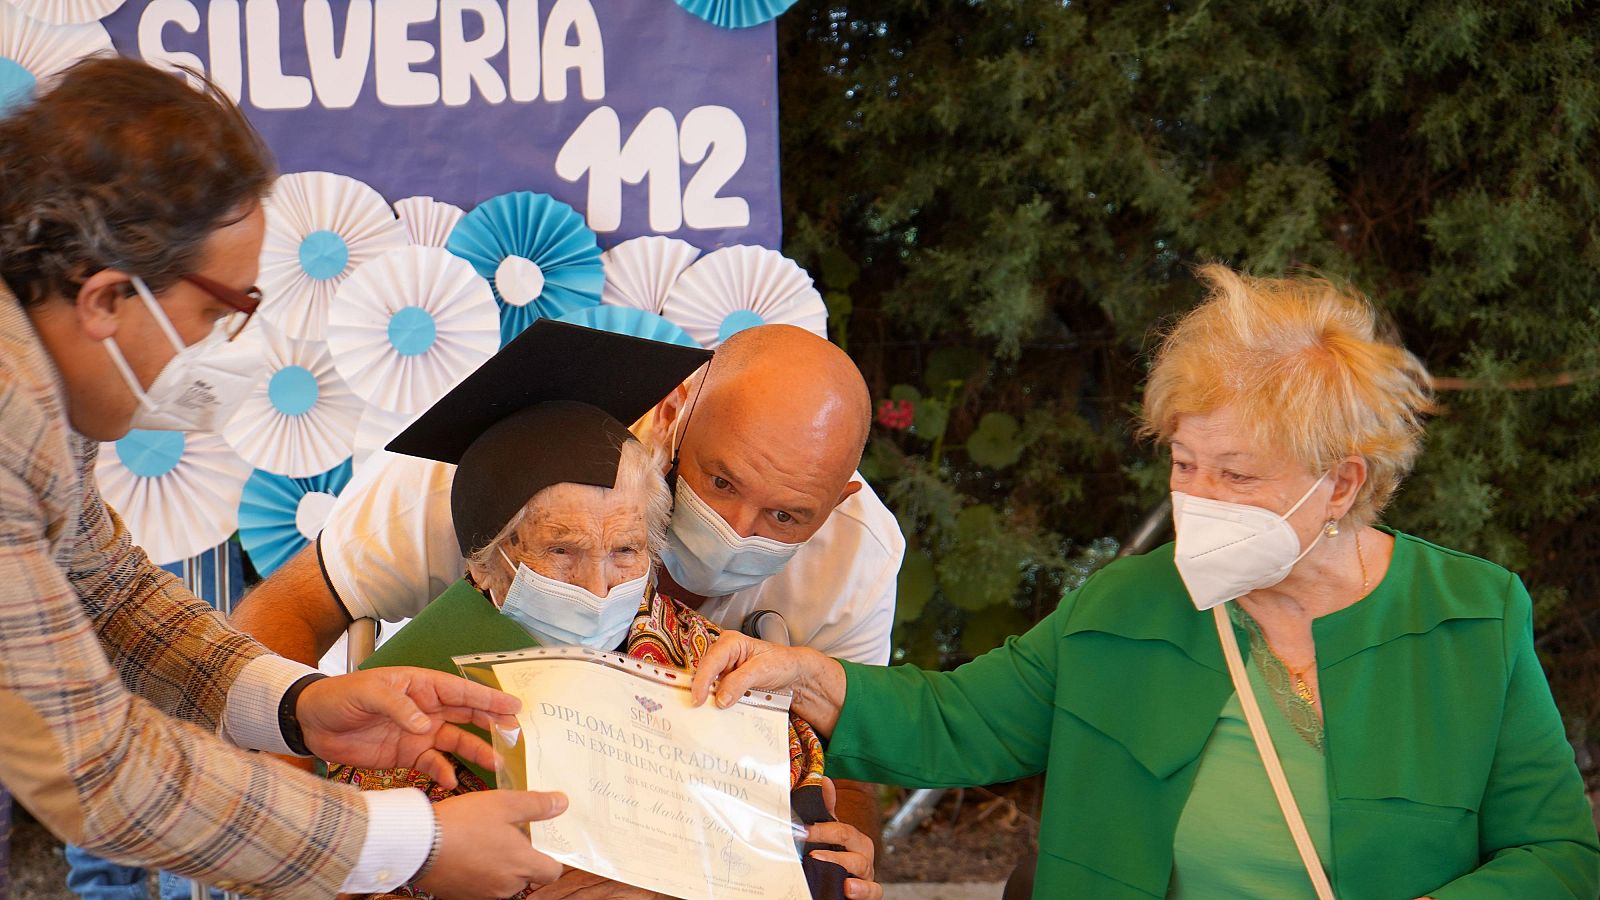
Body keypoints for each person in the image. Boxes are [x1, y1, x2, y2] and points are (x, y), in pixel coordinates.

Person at [689, 265, 1600, 899]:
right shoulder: (1127, 606)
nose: (1197, 499)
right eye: (1184, 462)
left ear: (1345, 484)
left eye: (1237, 476)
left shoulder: (1474, 615)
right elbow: (955, 719)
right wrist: (798, 674)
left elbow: (1561, 854)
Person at [0, 57, 568, 900]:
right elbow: (98, 768)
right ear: (108, 297)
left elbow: (109, 587)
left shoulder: (40, 382)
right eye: (218, 312)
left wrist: (297, 703)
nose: (221, 350)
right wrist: (411, 842)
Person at [232, 321, 900, 836]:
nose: (736, 525)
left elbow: (848, 767)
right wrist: (305, 834)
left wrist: (830, 855)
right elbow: (286, 612)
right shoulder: (498, 461)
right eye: (720, 480)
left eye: (785, 516)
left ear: (836, 504)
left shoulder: (857, 556)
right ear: (674, 413)